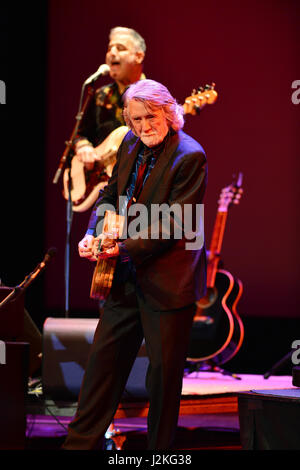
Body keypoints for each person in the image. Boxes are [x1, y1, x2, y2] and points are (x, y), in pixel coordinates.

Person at [62, 79, 207, 450]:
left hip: (168, 284)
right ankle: (78, 446)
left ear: (170, 112)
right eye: (136, 118)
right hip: (124, 279)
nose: (144, 127)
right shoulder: (128, 142)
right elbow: (111, 194)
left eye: (151, 117)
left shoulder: (190, 156)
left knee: (162, 380)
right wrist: (92, 232)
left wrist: (120, 248)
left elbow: (175, 224)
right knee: (101, 370)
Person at [74, 26, 146, 171]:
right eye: (109, 48)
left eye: (120, 48)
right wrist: (83, 147)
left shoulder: (153, 96)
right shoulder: (101, 95)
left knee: (124, 194)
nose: (112, 53)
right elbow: (79, 135)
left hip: (135, 182)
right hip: (102, 182)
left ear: (138, 56)